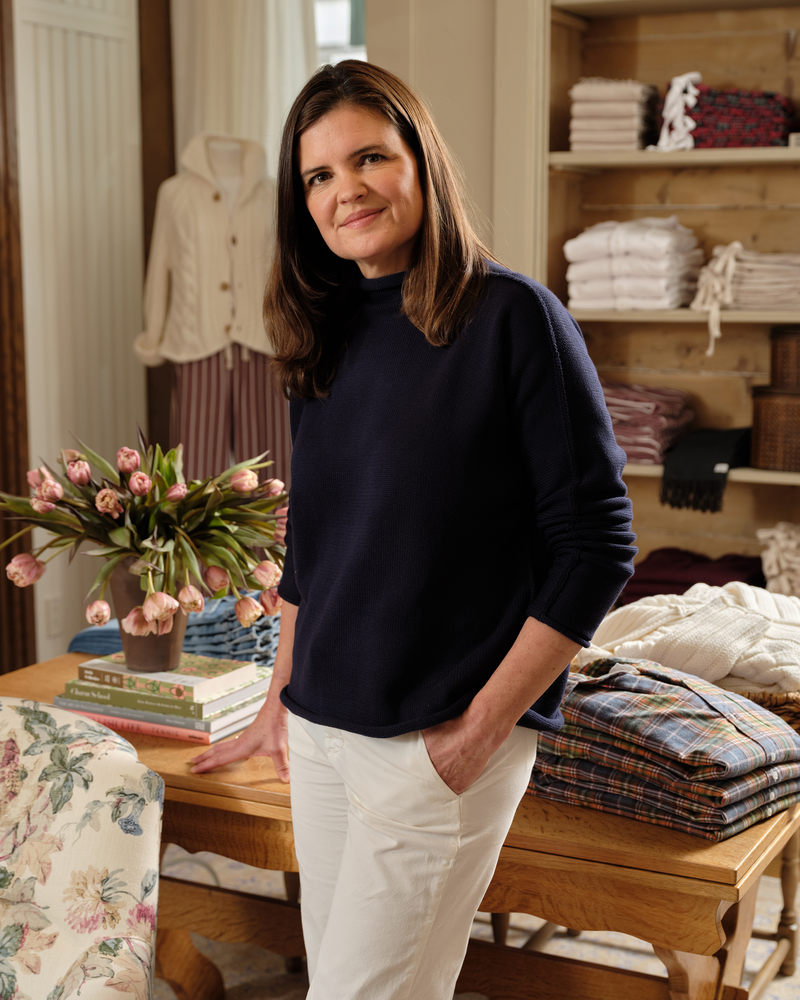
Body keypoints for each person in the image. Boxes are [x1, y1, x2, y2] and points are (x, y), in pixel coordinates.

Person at [190, 60, 637, 1000]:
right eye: (317, 176)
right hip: (320, 735)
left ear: (420, 163)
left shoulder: (515, 318)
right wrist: (281, 698)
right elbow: (314, 553)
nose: (344, 190)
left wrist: (483, 731)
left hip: (437, 740)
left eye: (368, 158)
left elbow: (596, 544)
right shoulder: (320, 334)